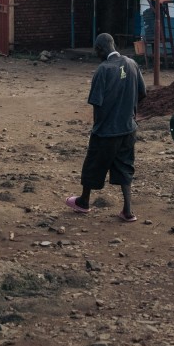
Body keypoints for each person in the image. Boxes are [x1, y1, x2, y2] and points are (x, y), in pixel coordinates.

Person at [65, 33, 147, 222]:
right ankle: (128, 210)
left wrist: (99, 126)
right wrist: (130, 110)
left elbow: (96, 103)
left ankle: (84, 201)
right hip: (128, 127)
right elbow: (142, 93)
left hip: (106, 130)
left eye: (97, 51)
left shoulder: (103, 70)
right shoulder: (132, 64)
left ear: (100, 49)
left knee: (93, 165)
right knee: (125, 167)